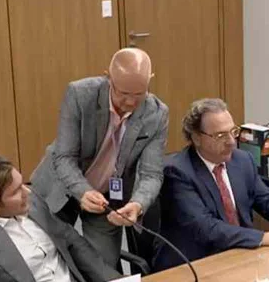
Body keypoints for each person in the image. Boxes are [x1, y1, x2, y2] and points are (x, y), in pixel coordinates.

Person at [30, 48, 169, 269]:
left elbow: (152, 173)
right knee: (49, 259)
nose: (131, 102)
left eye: (139, 94)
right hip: (61, 184)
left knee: (103, 267)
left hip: (108, 197)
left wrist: (138, 203)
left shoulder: (157, 113)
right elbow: (64, 156)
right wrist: (82, 191)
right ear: (108, 77)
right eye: (123, 93)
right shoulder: (80, 94)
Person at [153, 98, 269, 270]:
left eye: (233, 132)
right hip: (193, 265)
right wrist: (263, 238)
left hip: (239, 257)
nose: (231, 141)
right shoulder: (177, 172)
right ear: (196, 138)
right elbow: (206, 229)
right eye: (221, 135)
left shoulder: (242, 160)